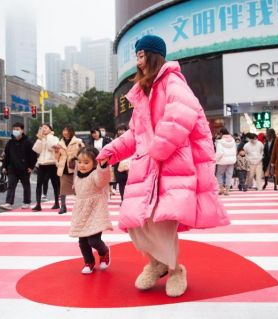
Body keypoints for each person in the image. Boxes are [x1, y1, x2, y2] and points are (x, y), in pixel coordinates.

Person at [97, 34, 229, 297]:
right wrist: (109, 152)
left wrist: (157, 150)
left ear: (153, 55)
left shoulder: (172, 81)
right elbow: (135, 134)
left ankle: (174, 268)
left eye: (141, 54)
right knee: (136, 222)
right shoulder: (145, 93)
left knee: (161, 223)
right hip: (148, 169)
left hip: (171, 168)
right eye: (137, 56)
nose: (138, 61)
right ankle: (156, 264)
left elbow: (181, 116)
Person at [70, 146, 112, 274]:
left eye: (86, 162)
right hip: (82, 212)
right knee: (83, 241)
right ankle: (89, 262)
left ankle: (104, 252)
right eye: (80, 162)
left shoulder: (96, 174)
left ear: (94, 163)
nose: (82, 165)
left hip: (95, 211)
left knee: (93, 240)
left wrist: (103, 166)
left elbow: (102, 180)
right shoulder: (77, 175)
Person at [0, 123, 36, 211]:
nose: (15, 131)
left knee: (26, 186)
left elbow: (33, 155)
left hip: (25, 168)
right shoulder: (10, 142)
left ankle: (27, 202)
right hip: (12, 168)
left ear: (22, 130)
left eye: (17, 129)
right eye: (14, 129)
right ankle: (9, 203)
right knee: (11, 185)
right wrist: (4, 166)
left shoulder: (28, 141)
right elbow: (6, 155)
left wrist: (31, 167)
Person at [54, 125, 83, 215]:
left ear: (71, 132)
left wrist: (78, 160)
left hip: (75, 168)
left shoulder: (78, 141)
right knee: (62, 189)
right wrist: (56, 152)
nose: (65, 132)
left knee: (78, 188)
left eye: (67, 130)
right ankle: (63, 206)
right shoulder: (59, 143)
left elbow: (83, 152)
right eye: (64, 130)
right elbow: (56, 157)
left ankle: (80, 206)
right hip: (63, 169)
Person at [32, 124, 60, 211]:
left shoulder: (54, 138)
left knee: (55, 184)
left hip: (51, 163)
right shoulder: (41, 138)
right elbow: (36, 149)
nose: (43, 129)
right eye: (42, 128)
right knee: (39, 184)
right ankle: (38, 204)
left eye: (45, 128)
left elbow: (52, 147)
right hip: (41, 163)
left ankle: (56, 203)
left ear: (51, 130)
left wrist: (48, 137)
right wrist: (40, 139)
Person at [215, 127, 237, 195]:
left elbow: (220, 153)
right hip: (231, 161)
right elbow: (235, 151)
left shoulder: (220, 142)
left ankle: (221, 189)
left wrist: (215, 159)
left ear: (221, 133)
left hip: (222, 161)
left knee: (219, 174)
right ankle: (227, 191)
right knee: (229, 175)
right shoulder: (233, 141)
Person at [112, 124, 129, 201]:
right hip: (118, 164)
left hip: (129, 164)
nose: (121, 131)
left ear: (126, 130)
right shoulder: (115, 141)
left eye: (122, 129)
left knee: (129, 184)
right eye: (119, 130)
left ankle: (128, 200)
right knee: (121, 183)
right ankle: (123, 200)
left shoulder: (131, 139)